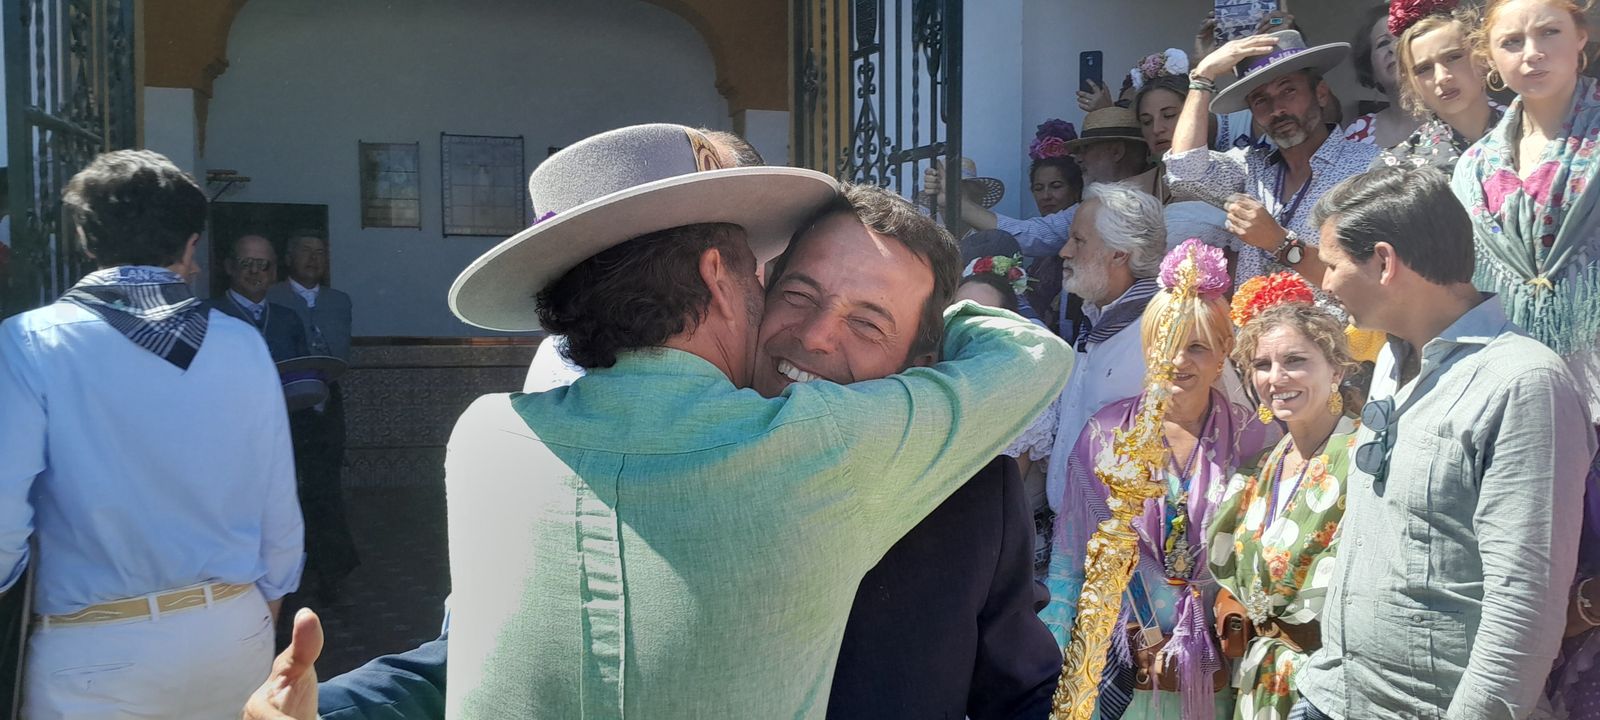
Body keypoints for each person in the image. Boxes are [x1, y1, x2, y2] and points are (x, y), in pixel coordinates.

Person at [251, 181, 1068, 720]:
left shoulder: (967, 494)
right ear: (738, 287)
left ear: (923, 363)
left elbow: (1022, 690)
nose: (817, 337)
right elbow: (472, 653)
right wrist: (333, 707)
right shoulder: (587, 458)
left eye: (868, 321)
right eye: (796, 293)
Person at [0, 149, 303, 718]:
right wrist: (261, 609)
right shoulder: (241, 344)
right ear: (191, 244)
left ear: (86, 241)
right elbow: (278, 509)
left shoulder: (29, 343)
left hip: (91, 644)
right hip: (231, 627)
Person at [1293, 165, 1594, 718]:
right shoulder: (1388, 359)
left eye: (1333, 265)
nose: (1326, 284)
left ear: (1384, 262)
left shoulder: (1522, 383)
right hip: (1332, 697)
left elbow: (1523, 607)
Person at [1040, 239, 1275, 720]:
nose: (1178, 361)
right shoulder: (1105, 434)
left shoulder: (1255, 438)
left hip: (1220, 676)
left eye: (1196, 347)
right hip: (1122, 667)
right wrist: (1058, 659)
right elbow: (1069, 560)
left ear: (1223, 352)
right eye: (1164, 344)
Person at [1450, 1, 1600, 711]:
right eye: (1512, 41)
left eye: (1549, 33)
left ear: (1584, 40)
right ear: (1491, 59)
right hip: (1520, 395)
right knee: (1529, 579)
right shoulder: (1474, 168)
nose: (1531, 52)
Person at [1205, 273, 1359, 720]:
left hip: (1328, 689)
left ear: (1337, 370)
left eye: (1295, 360)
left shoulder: (1364, 460)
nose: (1277, 377)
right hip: (1262, 680)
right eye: (1262, 365)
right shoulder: (1264, 465)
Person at [1169, 30, 1382, 297]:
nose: (1277, 109)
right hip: (1253, 336)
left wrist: (1279, 243)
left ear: (1321, 94)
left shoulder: (1368, 169)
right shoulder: (1251, 169)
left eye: (1288, 90)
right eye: (1260, 100)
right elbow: (1183, 170)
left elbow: (1371, 283)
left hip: (1330, 338)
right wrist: (1202, 77)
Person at [1041, 183, 1166, 519]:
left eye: (1078, 240)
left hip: (1129, 544)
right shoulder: (1096, 323)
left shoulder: (1161, 332)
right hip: (1076, 536)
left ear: (1119, 253)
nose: (1065, 251)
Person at [267, 231, 359, 605]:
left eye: (320, 253)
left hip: (326, 405)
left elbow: (342, 353)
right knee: (286, 491)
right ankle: (286, 577)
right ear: (289, 257)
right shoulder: (271, 298)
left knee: (326, 489)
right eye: (305, 251)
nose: (313, 258)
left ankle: (332, 574)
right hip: (282, 410)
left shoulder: (339, 302)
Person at [1376, 0, 1504, 173]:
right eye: (1424, 69)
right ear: (1410, 82)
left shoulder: (1534, 132)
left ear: (1482, 55)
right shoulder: (1399, 171)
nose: (1442, 78)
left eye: (1453, 57)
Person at [211, 234, 309, 362]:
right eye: (246, 263)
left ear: (273, 272)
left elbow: (303, 372)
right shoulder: (207, 314)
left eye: (263, 264)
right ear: (230, 267)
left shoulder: (289, 319)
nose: (254, 270)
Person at [1343, 4, 1426, 148]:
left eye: (1403, 37)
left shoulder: (1456, 111)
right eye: (1383, 43)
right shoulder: (1358, 135)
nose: (1394, 47)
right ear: (1370, 69)